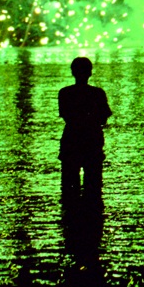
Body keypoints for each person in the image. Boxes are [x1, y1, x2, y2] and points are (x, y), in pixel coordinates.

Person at [58, 56, 111, 197]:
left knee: (69, 188)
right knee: (93, 188)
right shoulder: (98, 93)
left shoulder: (65, 93)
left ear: (72, 72)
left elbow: (66, 116)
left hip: (71, 141)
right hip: (92, 141)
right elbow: (104, 118)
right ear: (90, 72)